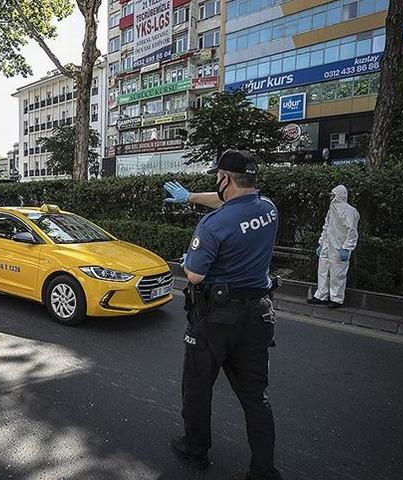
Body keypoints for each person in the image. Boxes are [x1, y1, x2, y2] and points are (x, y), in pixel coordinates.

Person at [163, 150, 282, 479]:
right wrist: (189, 196)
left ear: (225, 180)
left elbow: (194, 275)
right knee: (256, 396)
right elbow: (232, 209)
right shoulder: (268, 209)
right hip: (259, 315)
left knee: (198, 387)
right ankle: (264, 470)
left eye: (218, 177)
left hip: (216, 319)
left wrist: (189, 257)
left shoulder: (213, 224)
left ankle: (195, 449)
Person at [308, 185, 359, 308]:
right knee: (323, 271)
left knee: (338, 274)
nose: (331, 196)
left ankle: (336, 299)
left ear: (339, 195)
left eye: (333, 194)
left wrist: (347, 248)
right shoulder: (332, 209)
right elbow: (326, 227)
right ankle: (321, 296)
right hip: (327, 245)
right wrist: (321, 243)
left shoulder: (349, 211)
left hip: (339, 247)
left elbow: (352, 231)